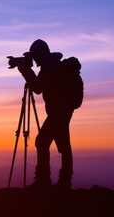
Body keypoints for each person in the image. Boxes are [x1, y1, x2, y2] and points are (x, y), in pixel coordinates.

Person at [17, 39, 83, 191]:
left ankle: (44, 180)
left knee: (42, 142)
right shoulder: (51, 64)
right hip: (63, 110)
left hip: (58, 111)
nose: (33, 59)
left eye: (34, 56)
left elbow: (38, 88)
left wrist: (25, 70)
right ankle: (64, 181)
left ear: (40, 55)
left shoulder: (48, 67)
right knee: (63, 145)